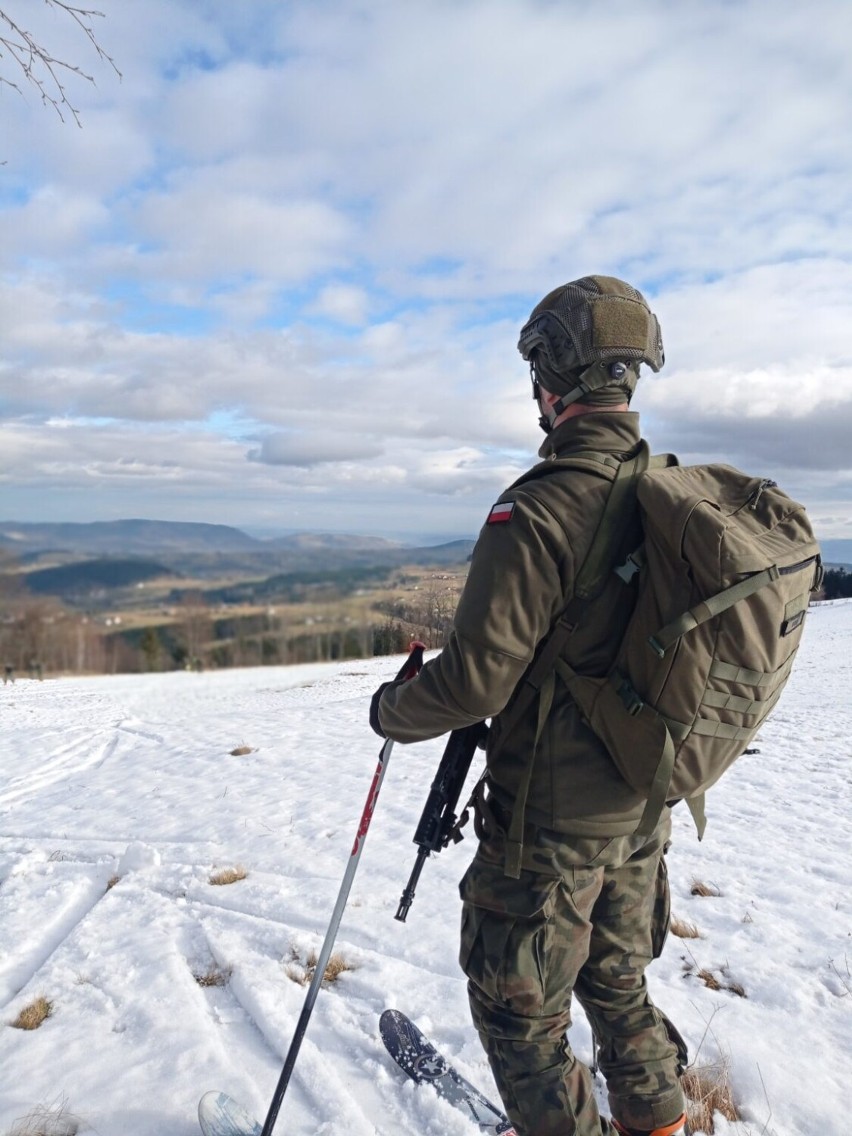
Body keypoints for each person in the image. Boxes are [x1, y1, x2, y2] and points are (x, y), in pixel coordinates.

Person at [370, 276, 689, 1136]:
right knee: (621, 987)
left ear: (553, 374)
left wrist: (392, 711)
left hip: (550, 825)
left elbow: (476, 681)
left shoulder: (541, 508)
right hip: (641, 800)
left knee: (521, 1019)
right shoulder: (668, 492)